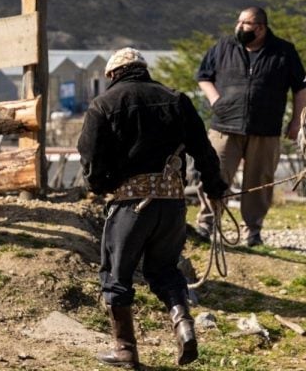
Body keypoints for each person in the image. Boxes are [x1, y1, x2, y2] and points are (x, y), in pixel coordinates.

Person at [77, 47, 228, 369]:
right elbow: (204, 151)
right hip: (172, 205)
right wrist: (215, 189)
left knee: (116, 276)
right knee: (165, 270)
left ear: (113, 75)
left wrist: (100, 186)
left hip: (130, 207)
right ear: (143, 69)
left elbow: (90, 158)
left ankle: (125, 350)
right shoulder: (177, 100)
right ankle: (183, 323)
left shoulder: (103, 104)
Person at [195, 6, 306, 247]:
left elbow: (300, 88)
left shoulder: (284, 52)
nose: (239, 27)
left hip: (265, 129)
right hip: (225, 126)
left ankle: (252, 232)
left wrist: (297, 122)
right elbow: (204, 76)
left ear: (260, 27)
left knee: (259, 181)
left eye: (245, 23)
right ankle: (206, 224)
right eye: (238, 22)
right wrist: (215, 99)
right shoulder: (224, 46)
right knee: (213, 174)